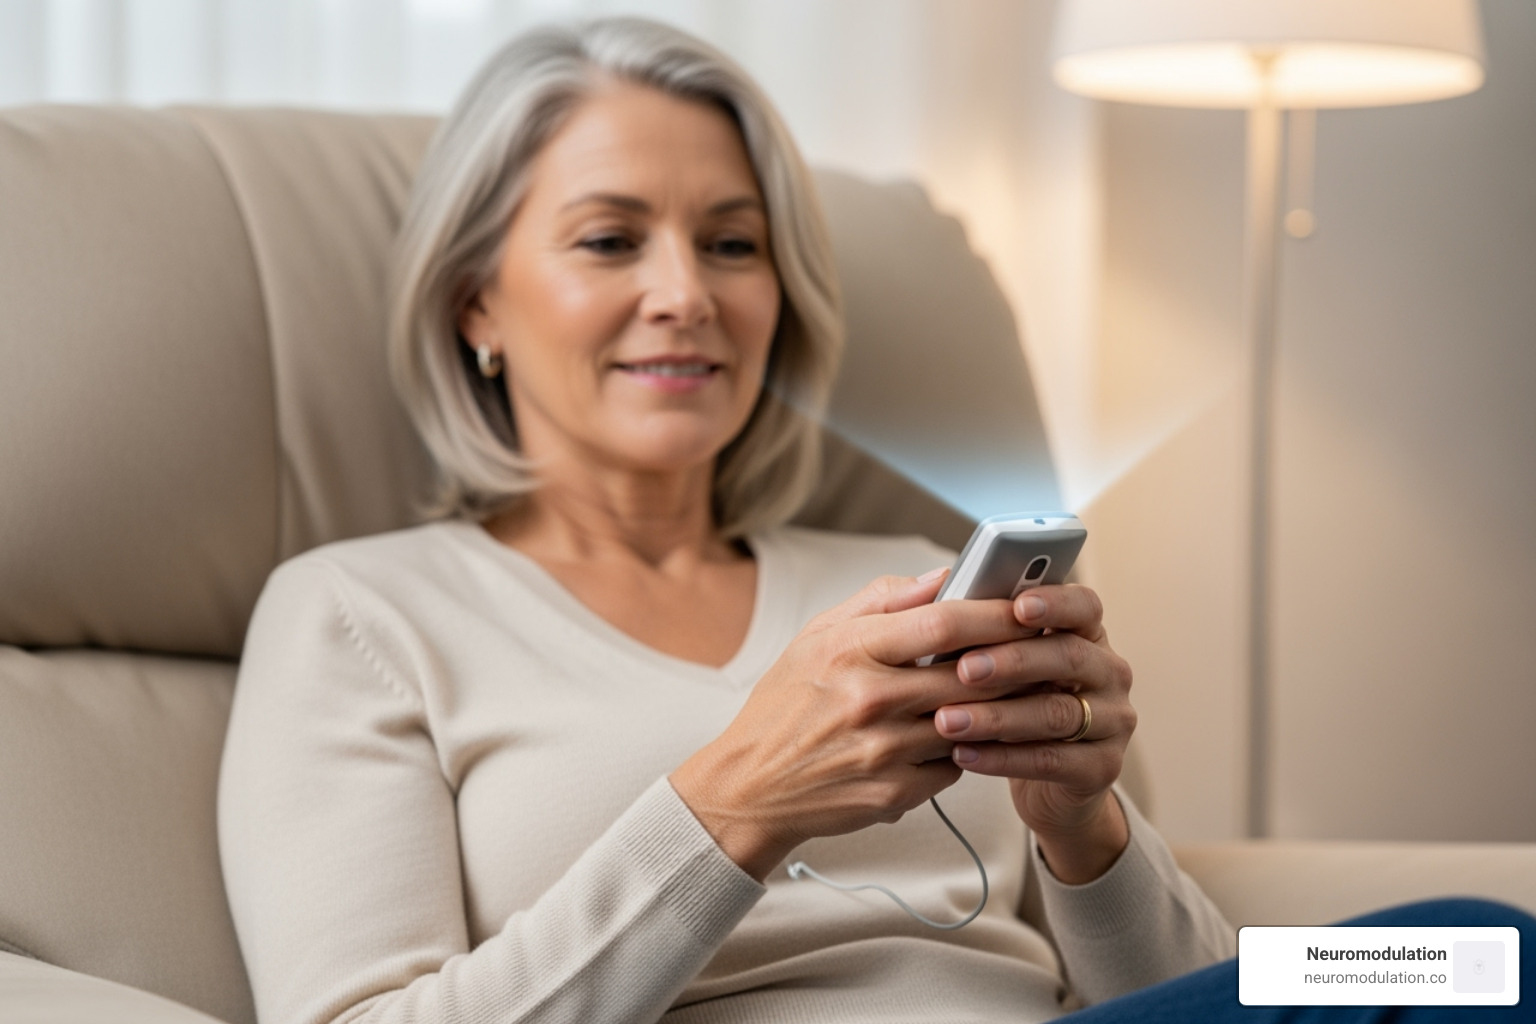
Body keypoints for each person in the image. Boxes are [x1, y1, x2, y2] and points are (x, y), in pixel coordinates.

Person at [217, 16, 1530, 1024]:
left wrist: (1085, 826)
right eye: (610, 241)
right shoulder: (362, 614)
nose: (686, 293)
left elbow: (1179, 992)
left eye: (733, 246)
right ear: (476, 307)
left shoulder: (908, 586)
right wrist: (740, 802)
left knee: (1475, 949)